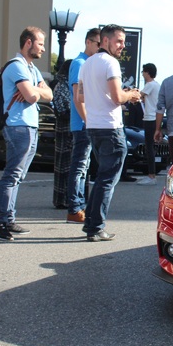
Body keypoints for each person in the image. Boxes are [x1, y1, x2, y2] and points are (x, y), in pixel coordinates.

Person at [77, 24, 141, 242]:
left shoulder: (86, 64)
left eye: (123, 41)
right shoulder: (110, 63)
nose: (122, 46)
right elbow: (116, 98)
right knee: (107, 181)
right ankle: (95, 227)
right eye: (119, 41)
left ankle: (91, 224)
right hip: (111, 128)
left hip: (94, 127)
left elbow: (81, 98)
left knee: (101, 178)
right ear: (105, 41)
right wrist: (130, 94)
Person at [0, 27, 52, 241]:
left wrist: (34, 89)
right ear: (28, 42)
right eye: (41, 43)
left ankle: (8, 219)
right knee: (12, 175)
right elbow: (33, 97)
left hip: (29, 127)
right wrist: (34, 91)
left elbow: (49, 94)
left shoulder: (31, 69)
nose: (43, 48)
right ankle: (0, 224)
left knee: (18, 176)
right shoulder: (17, 67)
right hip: (18, 126)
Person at [66, 28, 101, 225]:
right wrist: (88, 120)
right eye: (97, 44)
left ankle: (78, 205)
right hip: (82, 123)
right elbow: (77, 95)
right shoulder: (79, 63)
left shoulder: (87, 63)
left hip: (86, 122)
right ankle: (74, 208)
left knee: (84, 166)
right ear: (88, 42)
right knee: (79, 166)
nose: (99, 48)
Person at [52, 59, 73, 209]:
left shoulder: (68, 86)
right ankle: (61, 198)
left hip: (69, 127)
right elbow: (61, 110)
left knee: (70, 165)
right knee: (63, 165)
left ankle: (69, 197)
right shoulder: (61, 87)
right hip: (64, 129)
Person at [137, 63, 160, 185]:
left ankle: (151, 175)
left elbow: (139, 96)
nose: (142, 74)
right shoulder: (156, 85)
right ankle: (151, 174)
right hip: (154, 118)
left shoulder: (150, 85)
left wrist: (130, 92)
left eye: (143, 72)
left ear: (147, 72)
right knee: (150, 146)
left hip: (150, 118)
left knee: (149, 146)